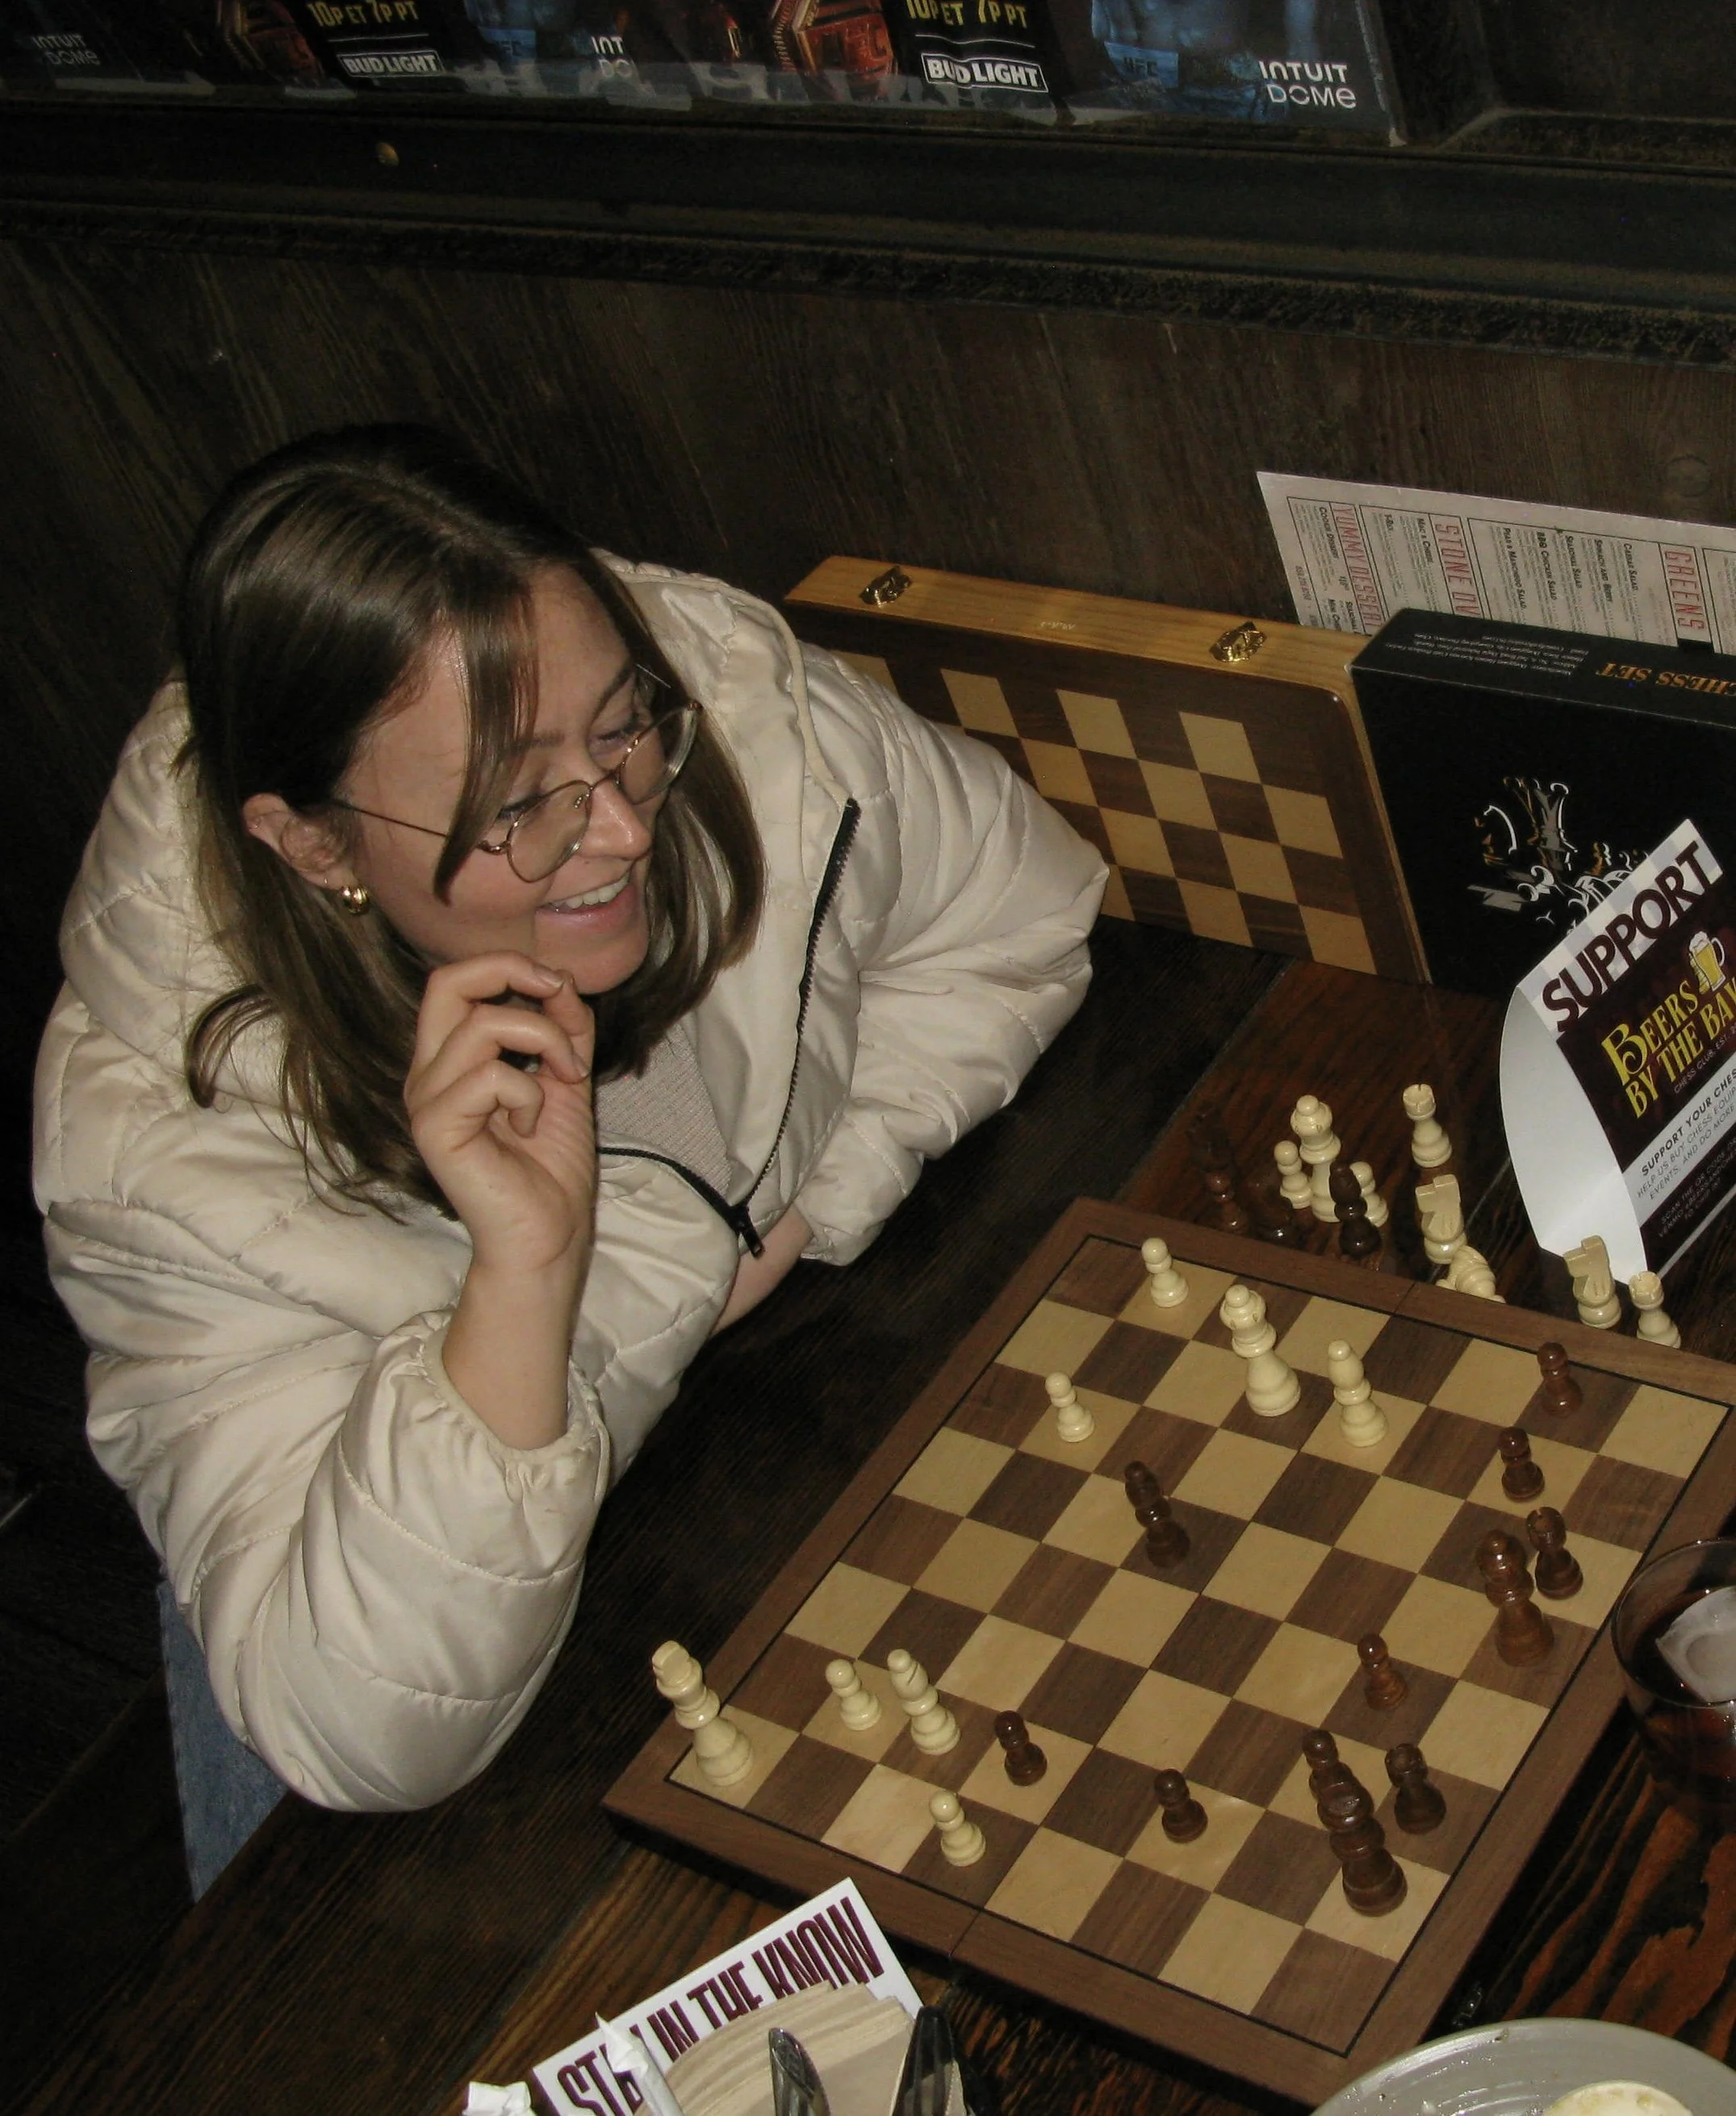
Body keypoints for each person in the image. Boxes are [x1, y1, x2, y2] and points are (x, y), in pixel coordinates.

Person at [33, 426, 1106, 1892]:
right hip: (400, 1629)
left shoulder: (745, 715)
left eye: (620, 727)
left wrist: (798, 1209)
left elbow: (1019, 919)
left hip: (724, 1473)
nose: (617, 824)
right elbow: (363, 1731)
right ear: (314, 844)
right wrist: (522, 1283)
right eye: (511, 801)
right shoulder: (157, 1158)